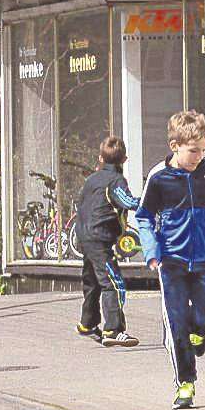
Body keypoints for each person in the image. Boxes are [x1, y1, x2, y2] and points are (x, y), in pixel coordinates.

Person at [136, 111, 205, 409]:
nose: (199, 156)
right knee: (175, 324)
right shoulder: (159, 177)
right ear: (175, 146)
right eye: (193, 150)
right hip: (171, 261)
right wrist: (151, 251)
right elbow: (144, 217)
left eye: (203, 149)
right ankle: (185, 383)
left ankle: (199, 331)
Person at [74, 136, 140, 347]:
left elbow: (81, 203)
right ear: (125, 159)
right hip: (99, 237)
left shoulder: (91, 179)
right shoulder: (115, 181)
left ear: (100, 157)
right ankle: (113, 329)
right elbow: (126, 201)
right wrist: (149, 202)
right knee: (113, 282)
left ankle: (88, 323)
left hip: (84, 234)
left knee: (92, 279)